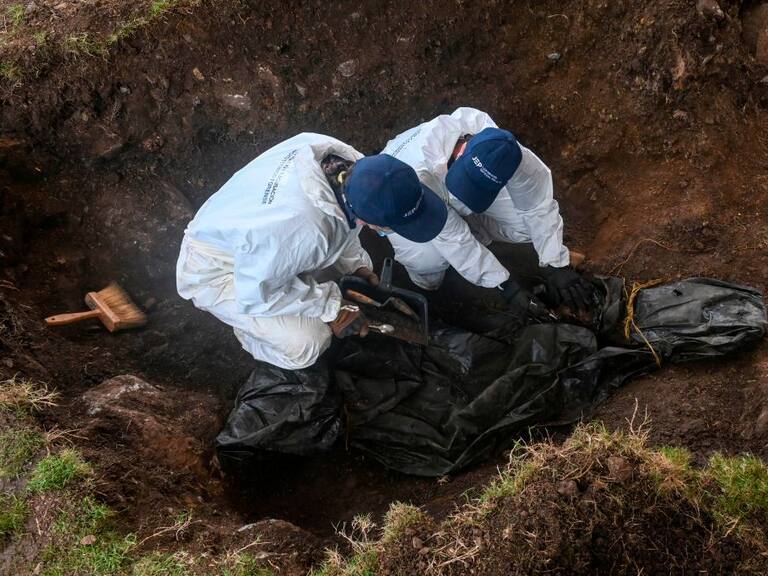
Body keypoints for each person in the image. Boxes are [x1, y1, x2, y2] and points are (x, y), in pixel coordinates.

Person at [176, 133, 447, 370]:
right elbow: (258, 293)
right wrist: (333, 309)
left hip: (257, 241)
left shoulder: (349, 164)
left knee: (357, 268)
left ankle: (320, 287)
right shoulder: (300, 231)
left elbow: (344, 220)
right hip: (221, 271)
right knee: (308, 342)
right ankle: (251, 334)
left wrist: (356, 268)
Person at [382, 107, 596, 318]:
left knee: (526, 226)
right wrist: (503, 285)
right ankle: (428, 284)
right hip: (404, 206)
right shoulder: (416, 174)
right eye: (464, 183)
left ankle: (479, 236)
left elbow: (537, 206)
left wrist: (555, 263)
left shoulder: (505, 152)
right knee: (429, 261)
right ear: (461, 151)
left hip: (445, 187)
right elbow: (449, 236)